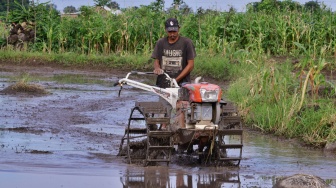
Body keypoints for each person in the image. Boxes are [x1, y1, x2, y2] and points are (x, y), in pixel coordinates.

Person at [151, 18, 197, 130]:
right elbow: (156, 60)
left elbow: (190, 65)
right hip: (164, 83)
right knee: (164, 112)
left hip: (182, 83)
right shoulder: (161, 43)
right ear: (166, 30)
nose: (172, 34)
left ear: (178, 29)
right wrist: (157, 68)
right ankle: (163, 132)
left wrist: (176, 79)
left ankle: (181, 133)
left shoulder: (186, 43)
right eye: (170, 31)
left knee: (182, 109)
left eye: (174, 31)